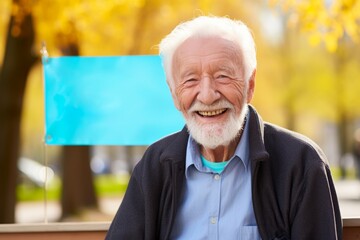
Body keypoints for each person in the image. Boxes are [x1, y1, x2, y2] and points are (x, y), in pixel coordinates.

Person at [106, 16, 342, 240]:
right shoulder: (154, 166)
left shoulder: (301, 163)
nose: (208, 96)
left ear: (250, 85)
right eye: (190, 80)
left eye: (223, 76)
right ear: (174, 94)